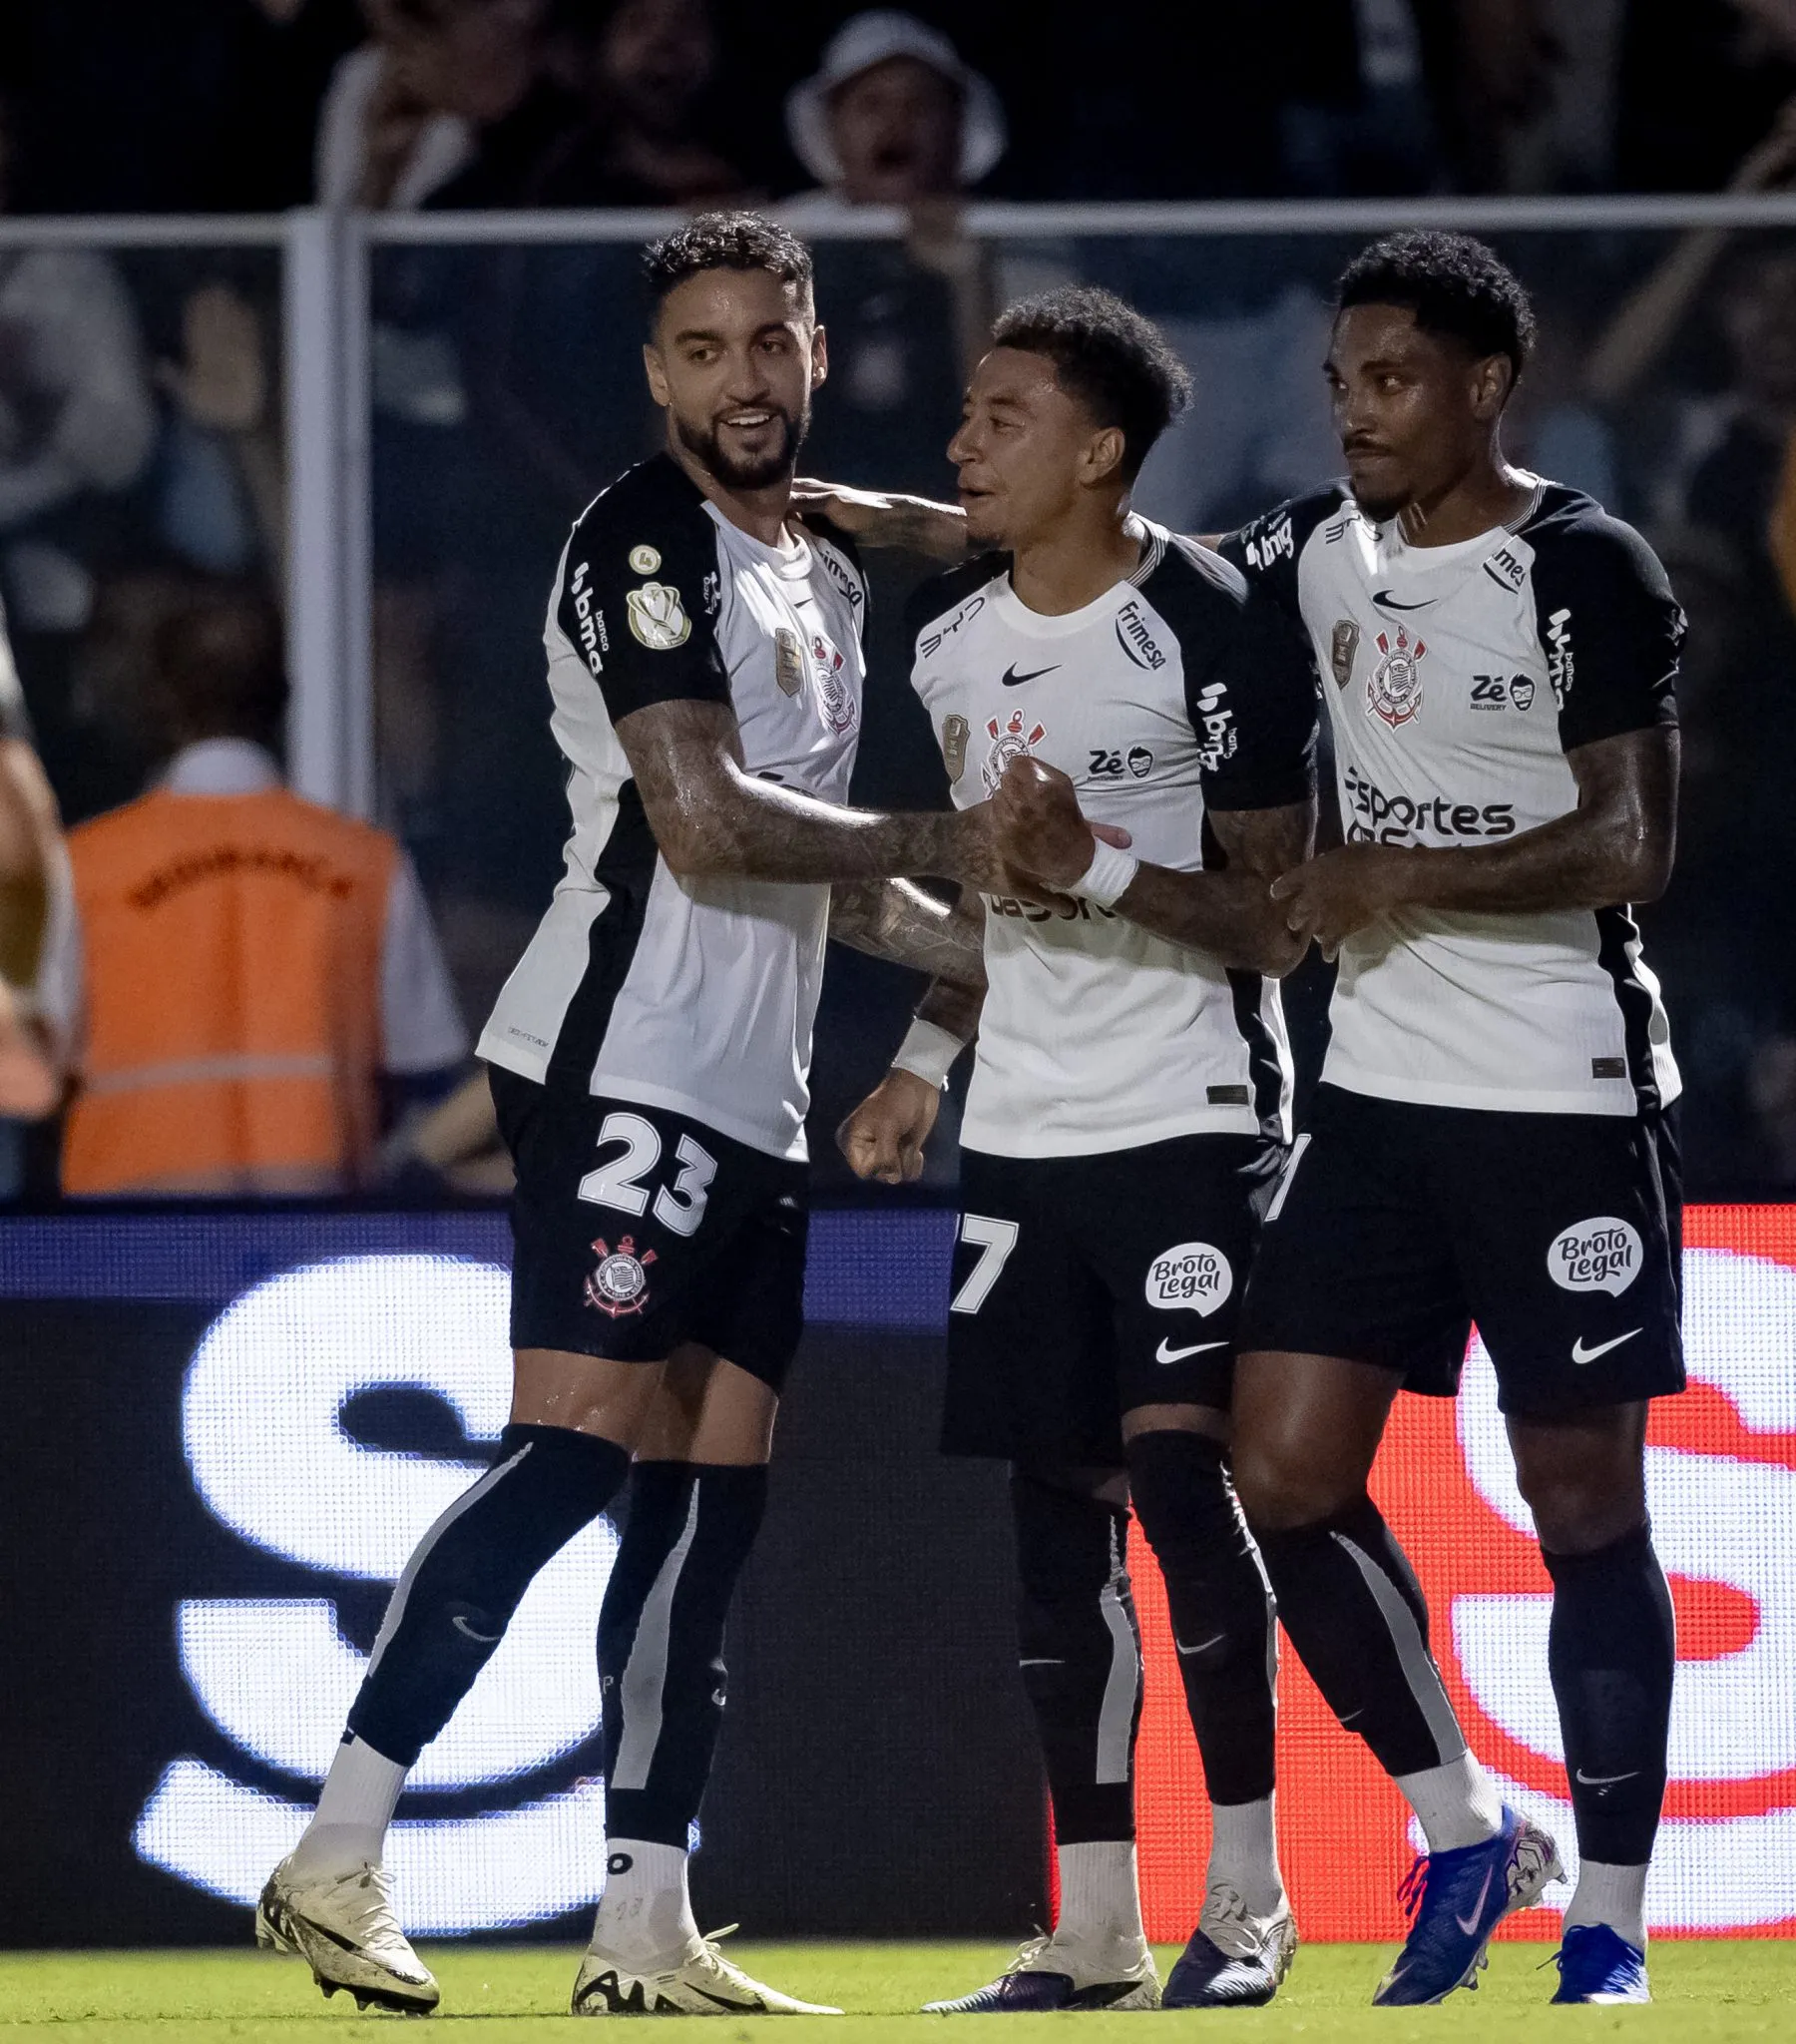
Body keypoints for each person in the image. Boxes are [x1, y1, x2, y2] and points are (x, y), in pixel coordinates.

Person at [256, 211, 1030, 2019]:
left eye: (771, 341)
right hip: (620, 1062)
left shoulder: (818, 570)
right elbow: (704, 819)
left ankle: (644, 1925)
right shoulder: (639, 541)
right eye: (702, 348)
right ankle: (332, 1849)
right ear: (654, 373)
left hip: (756, 1096)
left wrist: (989, 951)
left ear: (818, 352)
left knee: (707, 1504)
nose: (741, 377)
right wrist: (957, 849)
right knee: (578, 1449)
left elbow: (823, 878)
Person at [1214, 231, 1685, 2006]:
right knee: (1283, 1468)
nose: (1357, 414)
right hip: (1377, 1099)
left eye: (1393, 379)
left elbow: (1633, 841)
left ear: (1487, 384)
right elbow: (1143, 572)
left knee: (1580, 1498)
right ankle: (1469, 1824)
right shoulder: (1315, 552)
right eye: (1343, 381)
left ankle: (1617, 1915)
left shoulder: (1585, 564)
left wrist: (1403, 870)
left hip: (1562, 1089)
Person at [833, 286, 1318, 2010]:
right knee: (1054, 1528)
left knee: (1190, 1492)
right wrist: (922, 1061)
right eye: (965, 411)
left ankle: (1251, 1894)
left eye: (1001, 413)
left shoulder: (1215, 616)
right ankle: (1095, 1925)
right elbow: (994, 901)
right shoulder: (950, 638)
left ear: (1100, 449)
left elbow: (1279, 920)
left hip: (1191, 1114)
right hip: (1024, 1136)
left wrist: (1096, 863)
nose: (961, 441)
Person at [44, 588, 467, 1196]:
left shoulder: (84, 866)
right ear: (284, 698)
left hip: (126, 1241)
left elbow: (32, 1076)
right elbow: (423, 1070)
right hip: (313, 1237)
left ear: (159, 698)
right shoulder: (367, 864)